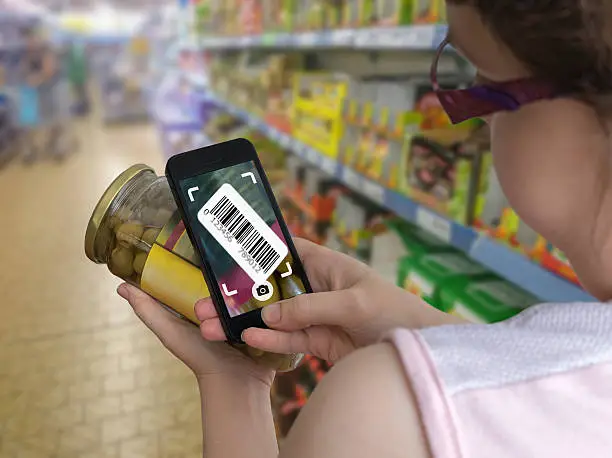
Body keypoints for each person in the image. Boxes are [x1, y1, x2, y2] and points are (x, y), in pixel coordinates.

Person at [118, 2, 612, 457]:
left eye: (486, 89)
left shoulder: (379, 413)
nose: (481, 125)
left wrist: (235, 383)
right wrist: (428, 332)